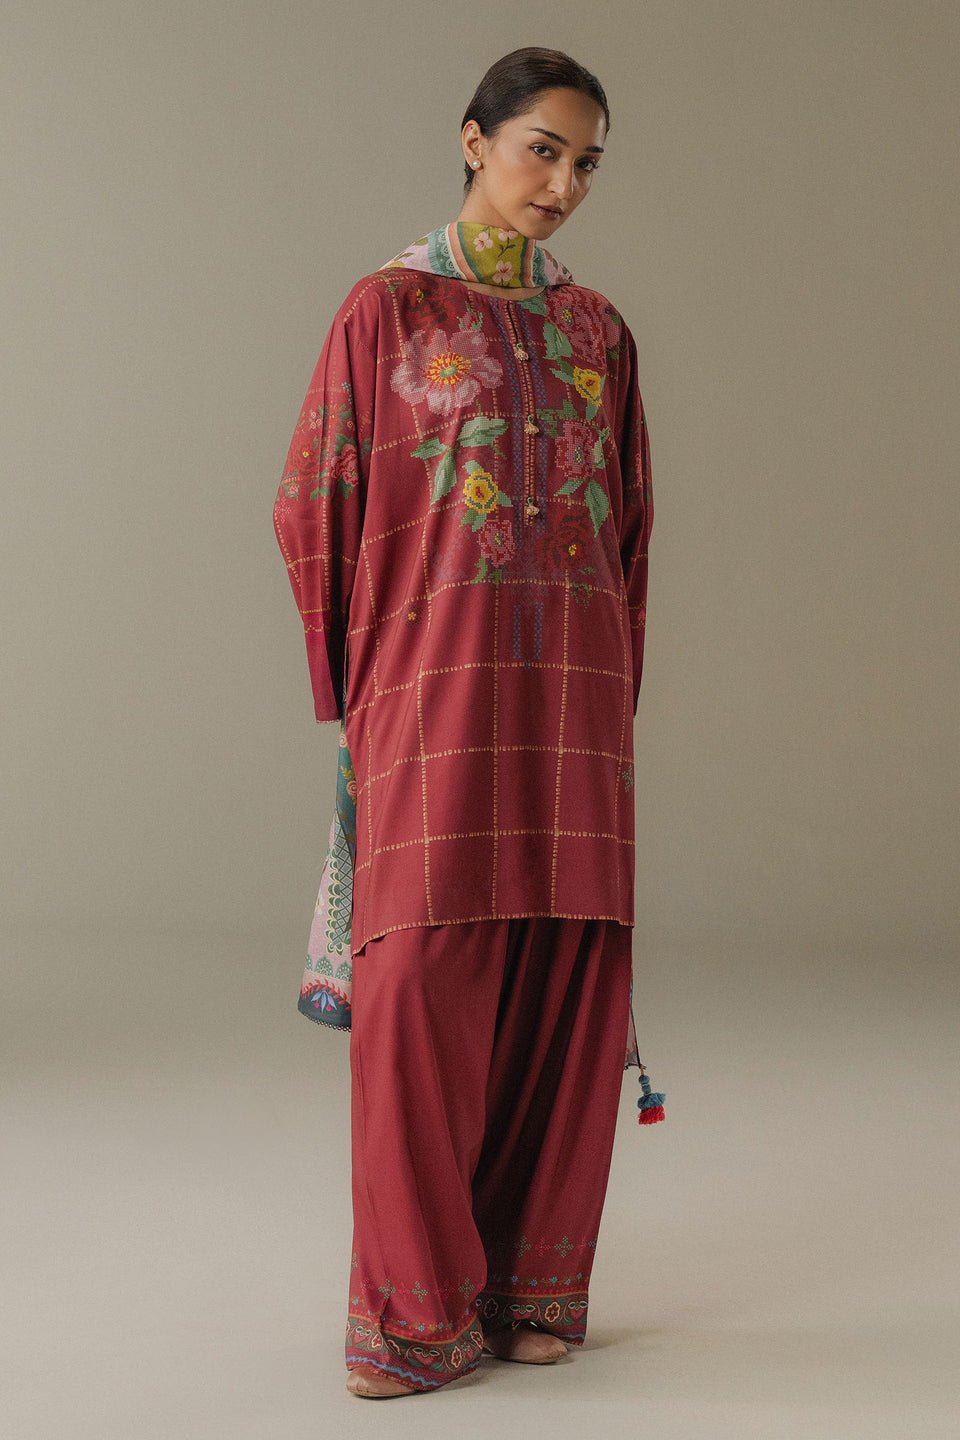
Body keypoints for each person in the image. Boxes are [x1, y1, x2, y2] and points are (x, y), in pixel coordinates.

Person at [273, 47, 661, 1400]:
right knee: (423, 991)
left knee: (567, 978)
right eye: (543, 149)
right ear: (474, 139)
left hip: (573, 704)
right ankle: (410, 1316)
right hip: (432, 693)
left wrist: (614, 684)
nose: (564, 183)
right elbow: (313, 498)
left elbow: (628, 528)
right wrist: (361, 689)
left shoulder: (598, 331)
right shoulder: (387, 311)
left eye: (587, 162)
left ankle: (527, 1291)